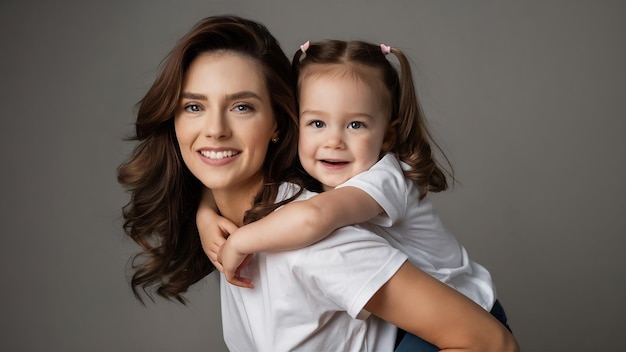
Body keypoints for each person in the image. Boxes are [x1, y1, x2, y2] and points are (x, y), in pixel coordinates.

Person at [118, 15, 519, 352]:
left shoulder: (314, 240)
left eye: (242, 106)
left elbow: (491, 343)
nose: (215, 129)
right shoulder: (239, 220)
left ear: (278, 122)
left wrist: (240, 238)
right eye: (194, 106)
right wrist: (206, 213)